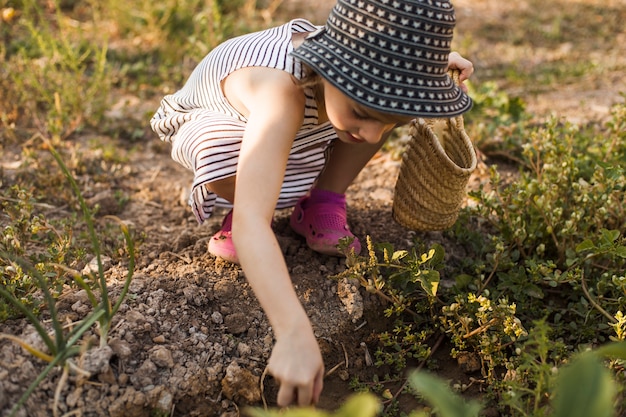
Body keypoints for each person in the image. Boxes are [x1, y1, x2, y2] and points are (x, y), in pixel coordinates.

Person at [151, 0, 473, 407]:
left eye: (390, 123)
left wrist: (430, 65)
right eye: (361, 110)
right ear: (329, 69)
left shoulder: (362, 91)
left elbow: (386, 53)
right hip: (221, 125)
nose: (376, 136)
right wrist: (294, 332)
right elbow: (255, 220)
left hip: (305, 119)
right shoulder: (279, 91)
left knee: (375, 114)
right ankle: (252, 199)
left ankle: (322, 200)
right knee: (234, 165)